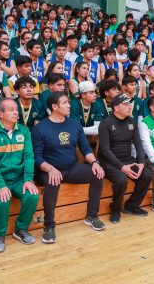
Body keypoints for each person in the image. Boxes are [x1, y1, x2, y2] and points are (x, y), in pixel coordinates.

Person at [32, 92, 106, 244]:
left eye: (68, 102)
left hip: (71, 168)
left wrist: (95, 163)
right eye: (65, 102)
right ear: (54, 107)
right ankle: (49, 226)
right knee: (53, 182)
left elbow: (85, 148)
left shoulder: (74, 124)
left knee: (97, 174)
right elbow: (37, 156)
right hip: (48, 170)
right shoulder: (40, 128)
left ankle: (92, 216)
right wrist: (50, 169)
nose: (69, 105)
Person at [0, 99, 40, 253]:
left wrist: (28, 179)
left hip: (19, 178)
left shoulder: (24, 130)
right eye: (10, 110)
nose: (16, 112)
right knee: (3, 201)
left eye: (16, 109)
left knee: (33, 195)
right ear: (0, 114)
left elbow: (29, 156)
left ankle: (20, 229)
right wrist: (1, 185)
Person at [97, 94, 151, 224]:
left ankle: (131, 206)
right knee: (121, 180)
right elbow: (104, 150)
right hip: (108, 161)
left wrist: (141, 163)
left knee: (146, 175)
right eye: (125, 104)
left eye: (129, 104)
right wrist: (122, 167)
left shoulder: (132, 121)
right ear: (116, 108)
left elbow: (138, 144)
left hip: (126, 158)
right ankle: (115, 209)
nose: (129, 107)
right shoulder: (105, 123)